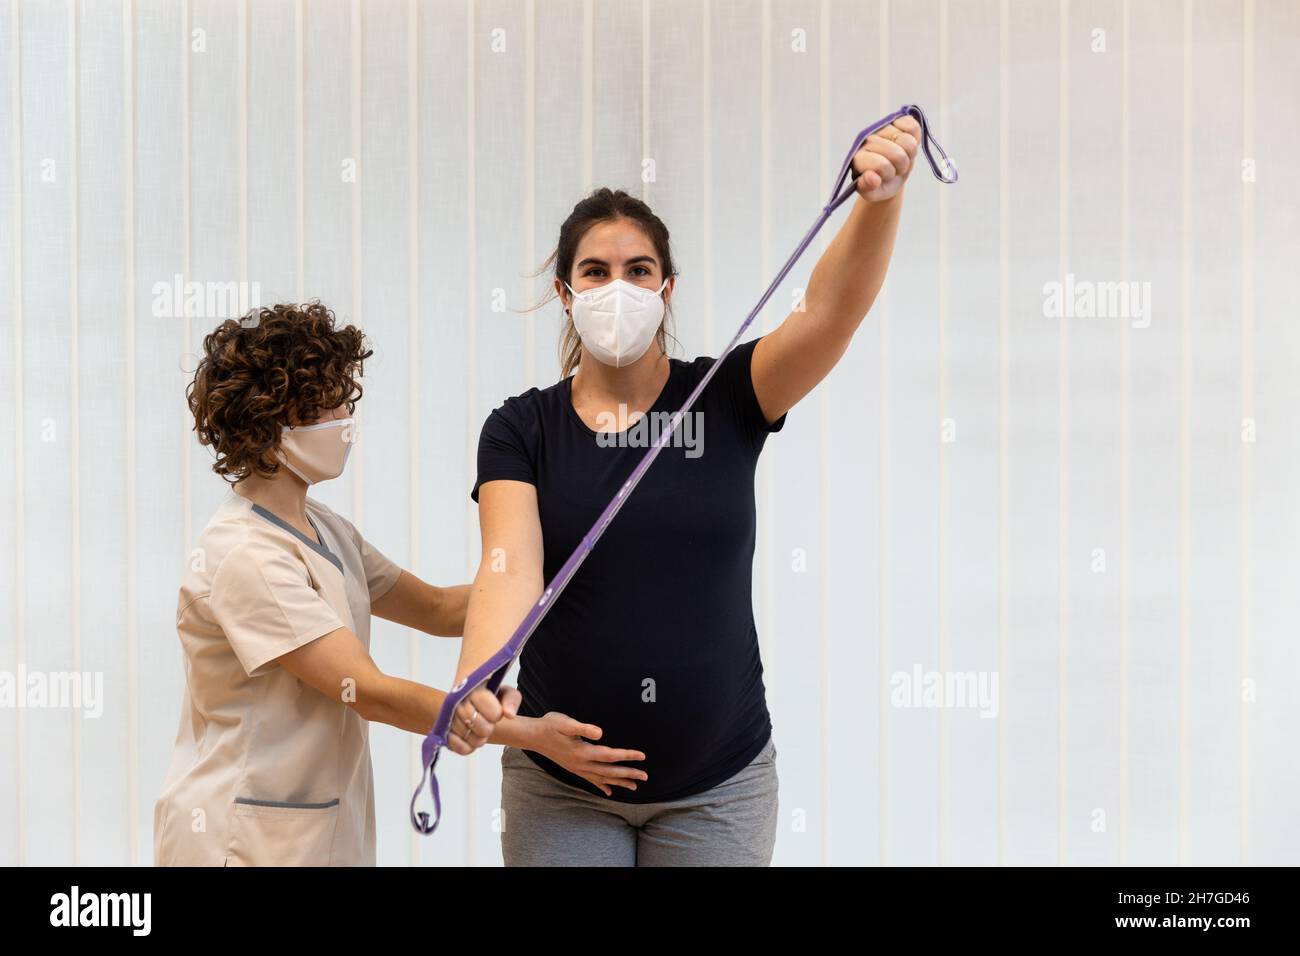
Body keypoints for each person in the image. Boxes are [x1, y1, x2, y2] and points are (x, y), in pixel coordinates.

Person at [457, 115, 924, 866]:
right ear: (564, 292)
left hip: (721, 785)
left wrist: (883, 199)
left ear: (667, 288)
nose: (619, 288)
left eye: (639, 271)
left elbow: (830, 314)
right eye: (596, 272)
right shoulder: (521, 429)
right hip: (560, 788)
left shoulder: (729, 395)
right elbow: (509, 566)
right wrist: (479, 680)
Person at [153, 302, 612, 865]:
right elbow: (367, 691)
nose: (347, 416)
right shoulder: (246, 555)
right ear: (271, 418)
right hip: (238, 834)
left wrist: (561, 577)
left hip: (317, 823)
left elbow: (443, 609)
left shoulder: (324, 528)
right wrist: (530, 734)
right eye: (330, 402)